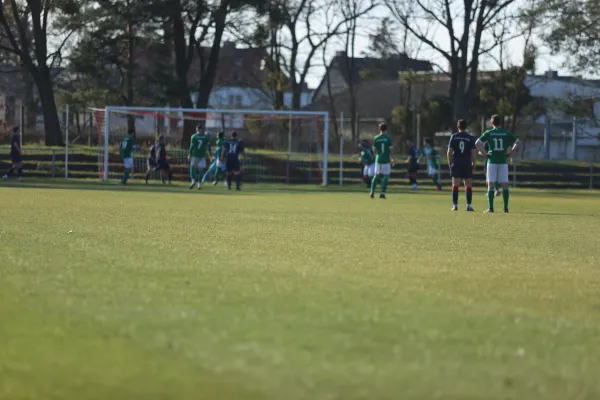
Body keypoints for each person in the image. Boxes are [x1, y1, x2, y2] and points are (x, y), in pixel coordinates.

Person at [475, 114, 520, 213]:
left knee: (490, 185)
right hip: (503, 161)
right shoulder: (506, 133)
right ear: (501, 122)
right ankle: (505, 208)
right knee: (505, 185)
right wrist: (511, 151)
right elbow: (518, 142)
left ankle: (491, 208)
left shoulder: (489, 133)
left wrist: (484, 153)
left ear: (492, 123)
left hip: (492, 161)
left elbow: (477, 143)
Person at [447, 119, 476, 211]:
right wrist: (474, 163)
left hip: (456, 163)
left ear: (457, 126)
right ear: (466, 126)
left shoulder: (454, 137)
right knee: (468, 185)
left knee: (455, 184)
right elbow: (473, 152)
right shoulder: (470, 137)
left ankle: (455, 206)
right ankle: (469, 206)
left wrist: (449, 163)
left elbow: (449, 152)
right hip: (467, 163)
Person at [370, 123, 394, 199]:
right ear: (386, 129)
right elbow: (390, 150)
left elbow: (374, 150)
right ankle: (382, 193)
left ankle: (372, 192)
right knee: (386, 176)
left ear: (379, 129)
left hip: (378, 159)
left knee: (376, 175)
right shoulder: (388, 138)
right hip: (386, 160)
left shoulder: (376, 138)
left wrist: (376, 156)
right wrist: (392, 158)